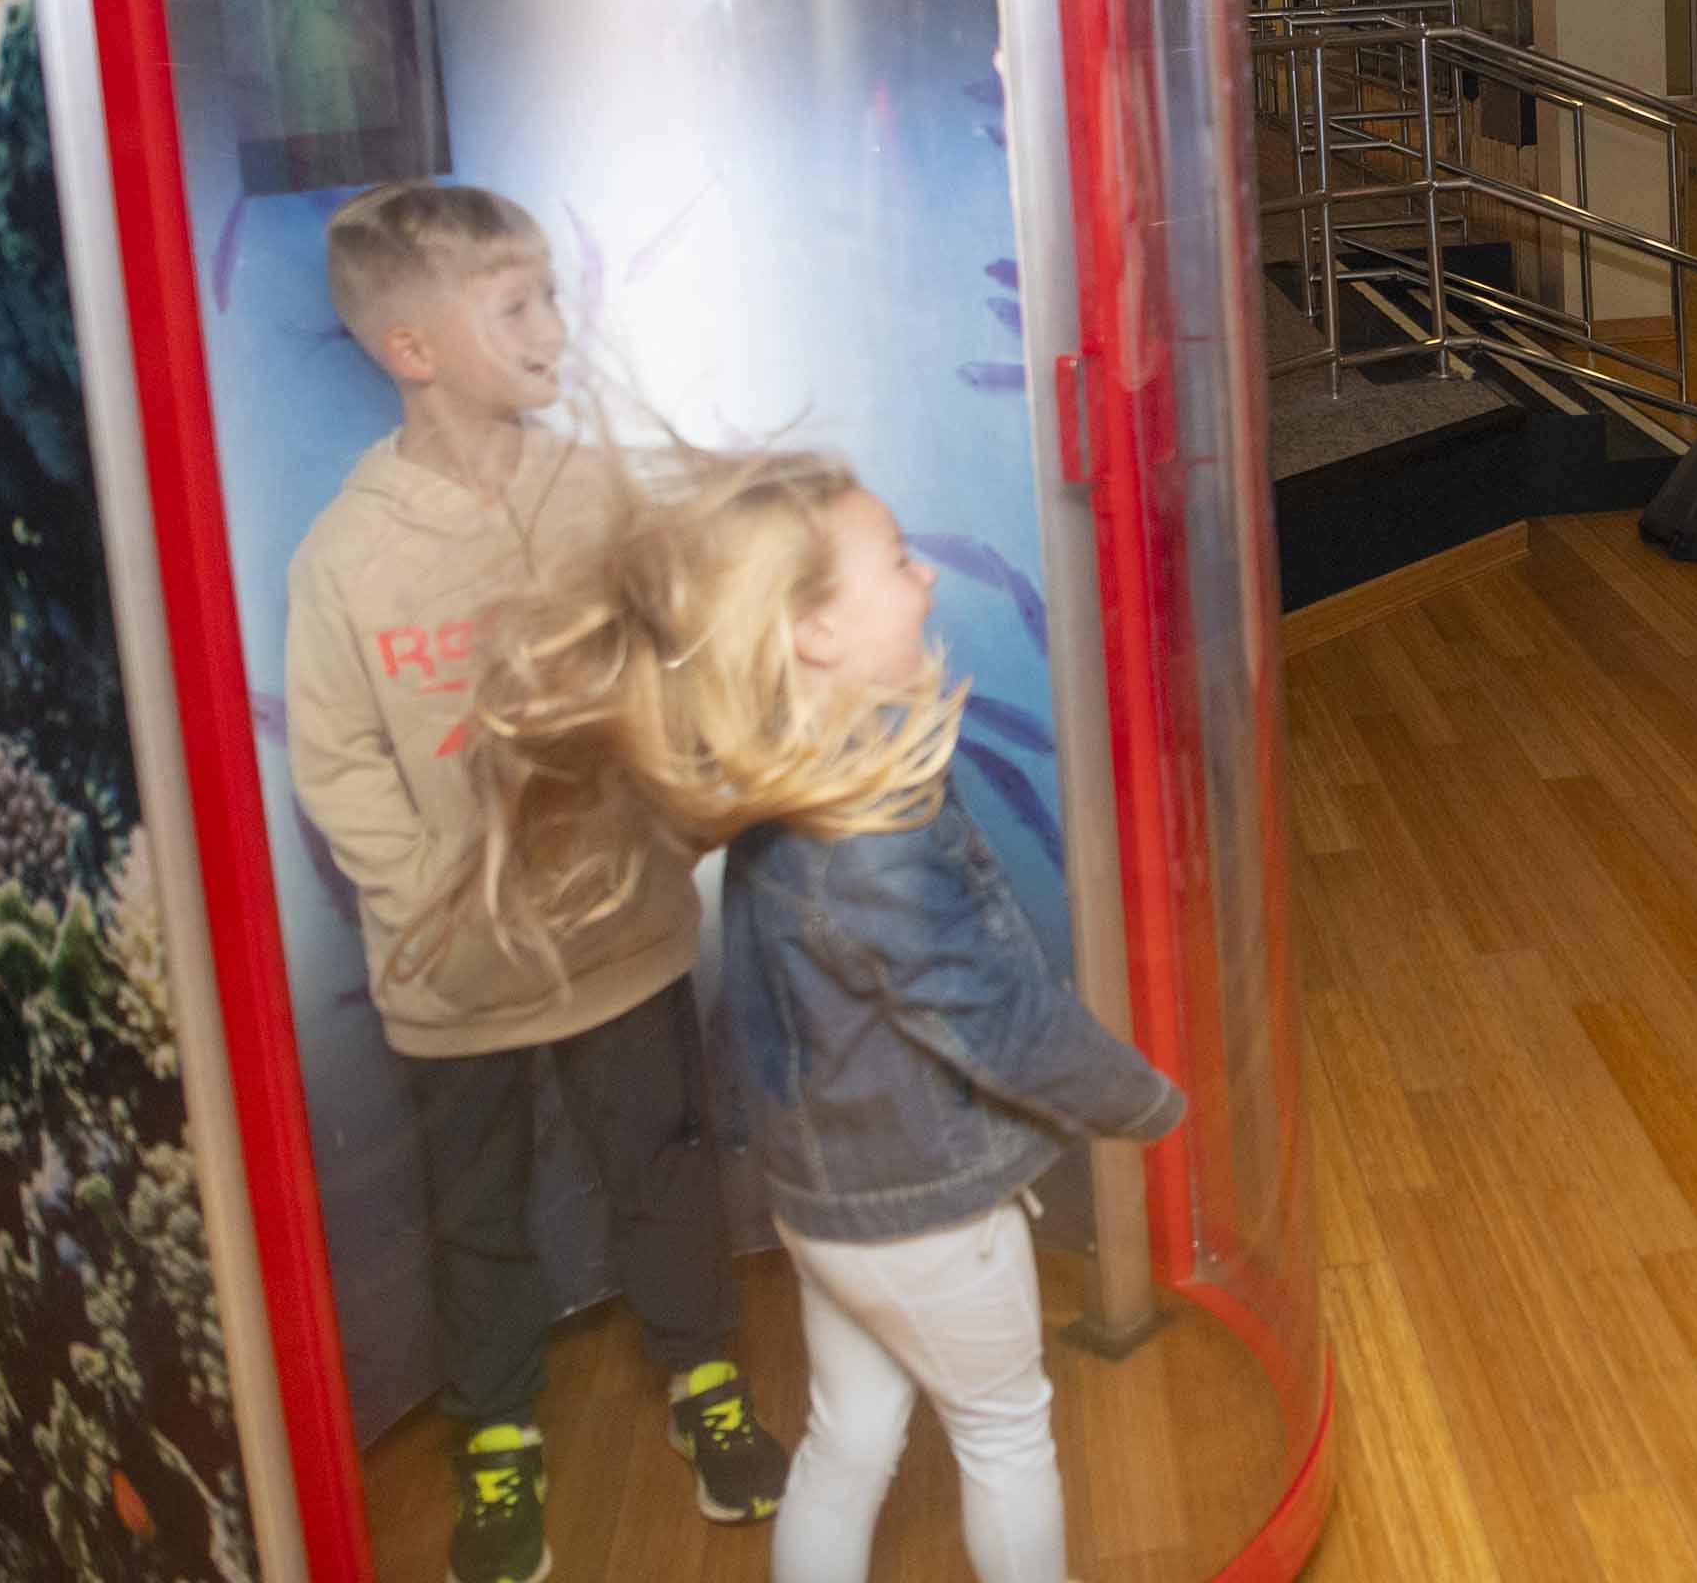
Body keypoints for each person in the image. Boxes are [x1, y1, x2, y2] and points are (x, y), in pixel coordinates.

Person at [441, 450, 1185, 1583]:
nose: (926, 579)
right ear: (815, 635)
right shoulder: (872, 839)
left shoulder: (789, 788)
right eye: (895, 562)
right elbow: (1005, 1025)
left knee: (848, 1439)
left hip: (825, 1212)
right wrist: (1146, 1100)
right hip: (927, 1219)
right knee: (1004, 1431)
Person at [288, 185, 787, 1583]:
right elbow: (335, 764)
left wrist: (684, 814)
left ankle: (706, 1385)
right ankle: (496, 1442)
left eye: (555, 296)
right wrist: (432, 903)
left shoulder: (598, 489)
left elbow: (680, 664)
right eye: (519, 305)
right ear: (413, 347)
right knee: (478, 1219)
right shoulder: (345, 554)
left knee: (661, 1174)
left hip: (622, 947)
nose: (558, 329)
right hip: (456, 989)